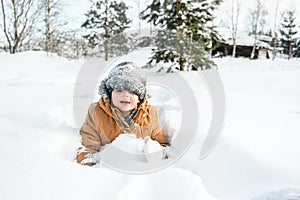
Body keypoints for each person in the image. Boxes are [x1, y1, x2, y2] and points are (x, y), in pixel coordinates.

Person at [76, 61, 169, 166]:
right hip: (110, 168)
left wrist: (155, 152)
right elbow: (88, 142)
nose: (125, 96)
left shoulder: (151, 114)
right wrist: (89, 159)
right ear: (109, 93)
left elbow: (162, 143)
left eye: (132, 92)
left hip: (139, 168)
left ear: (140, 98)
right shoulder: (96, 112)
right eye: (119, 90)